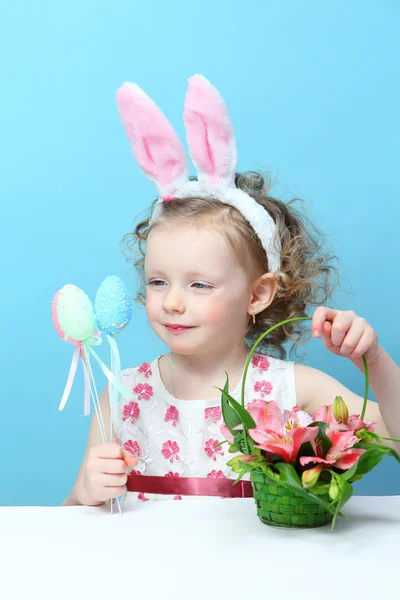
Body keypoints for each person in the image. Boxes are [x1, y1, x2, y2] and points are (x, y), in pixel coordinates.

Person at [63, 75, 400, 507]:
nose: (172, 301)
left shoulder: (294, 392)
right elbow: (72, 522)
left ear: (258, 295)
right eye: (158, 281)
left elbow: (394, 440)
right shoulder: (123, 396)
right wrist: (83, 493)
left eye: (199, 284)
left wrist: (372, 359)